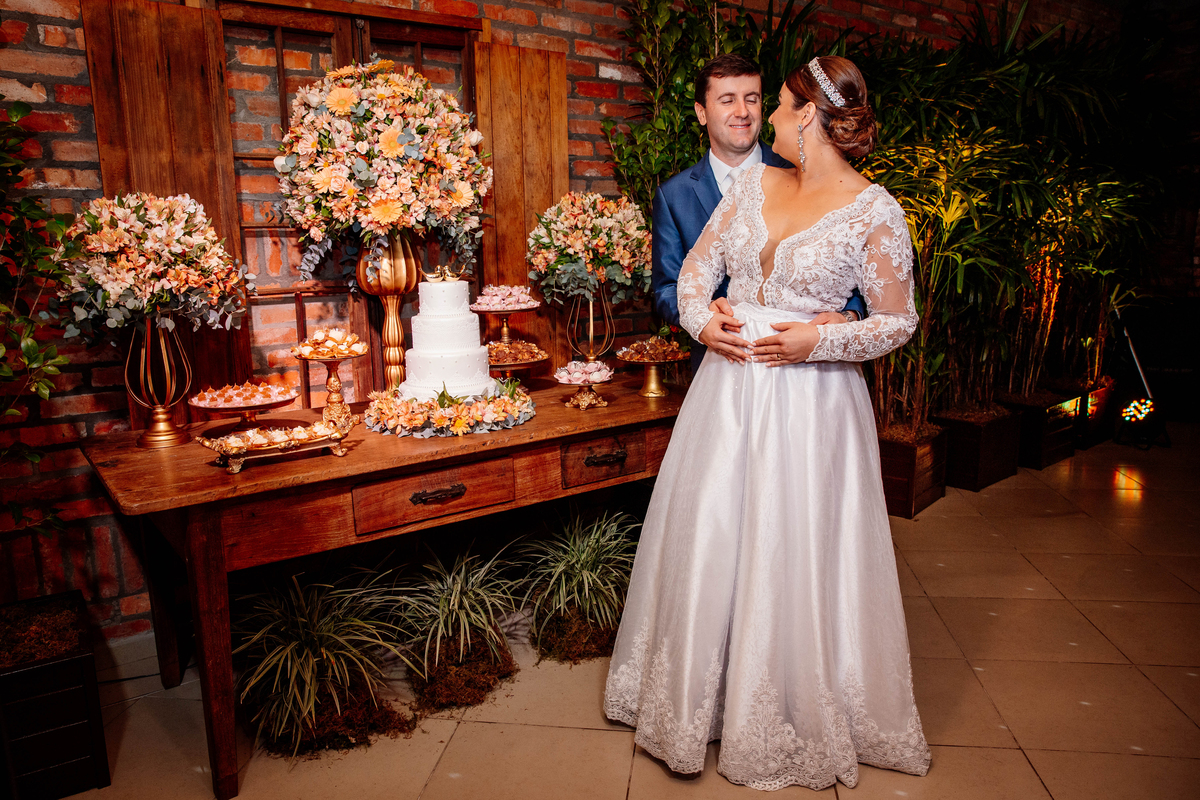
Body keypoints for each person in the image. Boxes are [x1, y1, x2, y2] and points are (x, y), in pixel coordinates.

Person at [604, 56, 932, 791]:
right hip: (729, 392)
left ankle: (791, 700)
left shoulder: (875, 211)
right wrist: (704, 320)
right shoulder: (755, 184)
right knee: (717, 535)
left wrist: (820, 339)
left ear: (809, 116)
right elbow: (694, 273)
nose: (768, 118)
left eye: (779, 105)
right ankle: (701, 697)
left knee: (795, 545)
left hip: (814, 408)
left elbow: (897, 320)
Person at [651, 54, 865, 370]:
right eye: (728, 100)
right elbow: (666, 286)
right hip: (718, 363)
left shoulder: (807, 172)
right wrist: (702, 317)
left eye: (751, 99)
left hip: (807, 366)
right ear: (701, 113)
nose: (743, 111)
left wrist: (849, 316)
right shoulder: (673, 195)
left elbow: (855, 268)